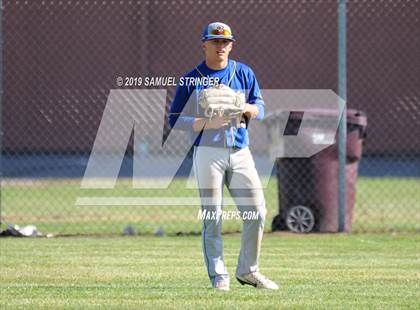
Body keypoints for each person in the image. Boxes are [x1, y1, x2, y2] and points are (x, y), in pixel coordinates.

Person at [168, 22, 278, 291]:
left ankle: (249, 271)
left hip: (240, 151)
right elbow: (173, 120)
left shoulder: (244, 72)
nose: (220, 46)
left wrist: (249, 109)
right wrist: (206, 123)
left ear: (231, 45)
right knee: (213, 215)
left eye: (225, 42)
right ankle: (219, 276)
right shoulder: (191, 78)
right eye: (214, 41)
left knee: (256, 211)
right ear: (204, 44)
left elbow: (261, 107)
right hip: (207, 153)